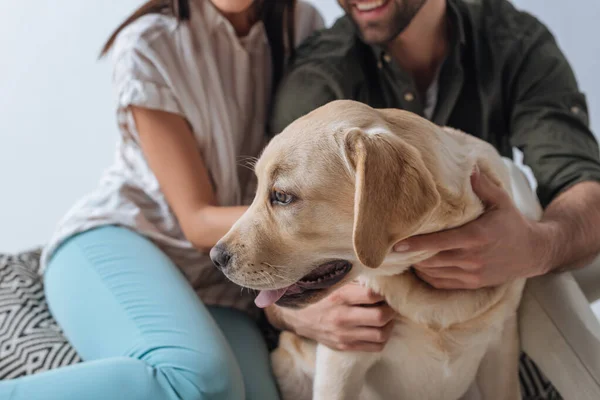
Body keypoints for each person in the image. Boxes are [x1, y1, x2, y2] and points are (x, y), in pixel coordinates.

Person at [264, 0, 600, 397]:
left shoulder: (513, 40)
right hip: (387, 324)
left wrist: (533, 248)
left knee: (519, 188)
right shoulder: (320, 76)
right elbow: (276, 220)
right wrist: (294, 312)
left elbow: (582, 184)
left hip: (494, 294)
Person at [0, 1, 324, 399]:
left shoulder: (302, 24)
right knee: (202, 381)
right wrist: (320, 215)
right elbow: (197, 219)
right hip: (118, 242)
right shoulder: (149, 42)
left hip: (221, 285)